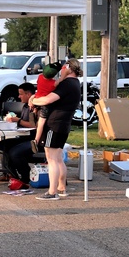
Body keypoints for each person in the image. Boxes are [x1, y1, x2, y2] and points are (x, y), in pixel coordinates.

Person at [29, 59, 82, 201]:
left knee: (51, 158)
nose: (61, 69)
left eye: (64, 67)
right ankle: (61, 187)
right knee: (58, 158)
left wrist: (33, 101)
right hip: (64, 124)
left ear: (70, 68)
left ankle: (52, 192)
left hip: (54, 124)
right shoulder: (76, 83)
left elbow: (47, 100)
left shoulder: (67, 84)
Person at [1, 82, 39, 188]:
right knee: (4, 145)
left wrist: (17, 120)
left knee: (14, 152)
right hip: (24, 136)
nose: (19, 96)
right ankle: (11, 173)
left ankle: (25, 175)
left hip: (34, 139)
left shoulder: (34, 106)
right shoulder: (25, 106)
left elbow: (32, 125)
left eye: (21, 94)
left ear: (28, 94)